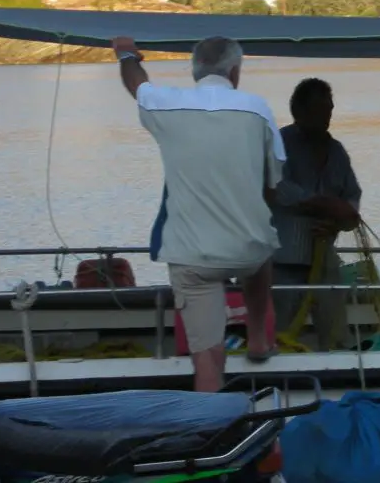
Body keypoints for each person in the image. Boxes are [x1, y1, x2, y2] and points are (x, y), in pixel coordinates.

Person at [111, 34, 285, 392]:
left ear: (194, 71)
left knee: (207, 360)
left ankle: (212, 437)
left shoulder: (167, 103)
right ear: (235, 71)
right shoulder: (258, 109)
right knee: (262, 249)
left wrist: (126, 53)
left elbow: (137, 84)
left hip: (194, 259)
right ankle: (257, 337)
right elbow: (273, 184)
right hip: (248, 252)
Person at [271, 78, 362, 351]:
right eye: (318, 111)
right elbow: (278, 187)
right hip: (281, 263)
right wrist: (324, 204)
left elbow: (352, 197)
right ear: (298, 111)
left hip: (324, 262)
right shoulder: (277, 144)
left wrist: (338, 221)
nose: (326, 119)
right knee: (280, 336)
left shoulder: (337, 151)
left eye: (329, 111)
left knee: (336, 334)